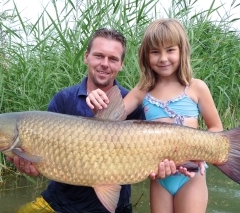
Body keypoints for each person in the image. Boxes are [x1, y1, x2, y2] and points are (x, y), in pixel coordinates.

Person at [8, 27, 179, 213]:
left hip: (114, 207)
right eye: (98, 56)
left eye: (113, 59)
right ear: (86, 57)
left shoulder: (133, 105)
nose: (105, 64)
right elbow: (40, 160)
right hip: (59, 204)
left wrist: (163, 168)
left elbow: (152, 158)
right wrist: (30, 167)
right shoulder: (63, 100)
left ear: (121, 64)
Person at [86, 18, 223, 213]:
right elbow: (111, 119)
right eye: (155, 52)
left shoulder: (196, 87)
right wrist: (96, 100)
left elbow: (216, 129)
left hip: (191, 176)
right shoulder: (143, 90)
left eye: (170, 50)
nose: (163, 58)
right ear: (146, 56)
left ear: (182, 50)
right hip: (160, 177)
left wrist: (202, 153)